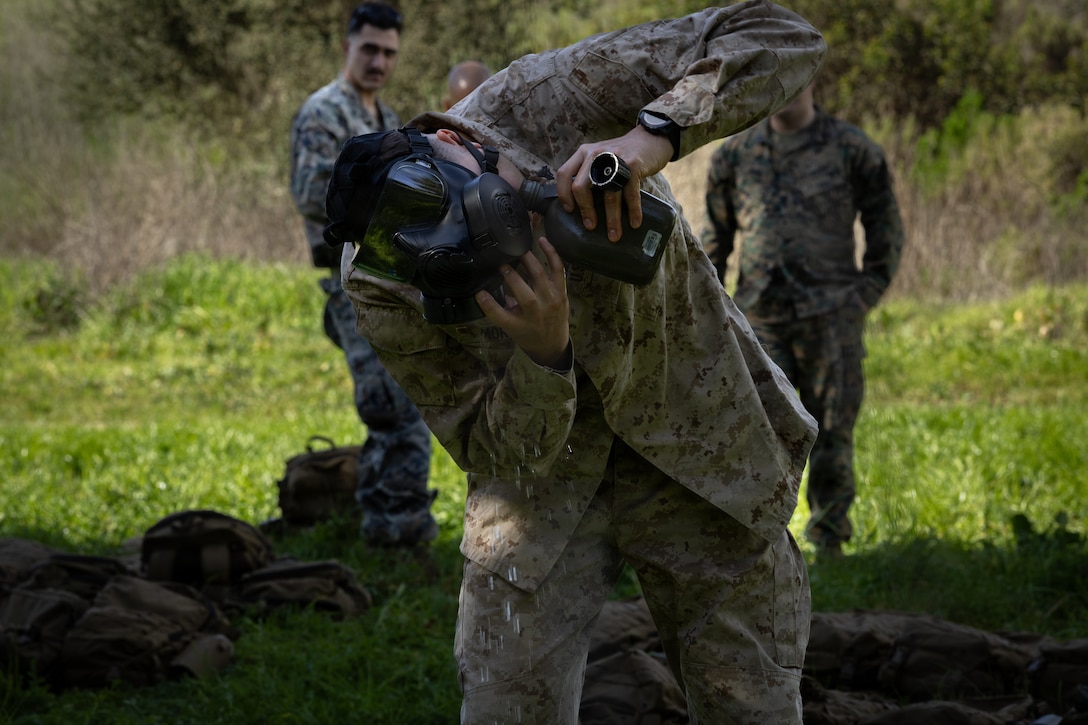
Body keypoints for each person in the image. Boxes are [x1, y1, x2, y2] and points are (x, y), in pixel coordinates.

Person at [324, 2, 825, 722]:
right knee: (504, 706)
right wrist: (541, 353)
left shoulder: (546, 98)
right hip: (543, 496)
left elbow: (784, 37)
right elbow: (492, 445)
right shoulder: (380, 285)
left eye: (461, 202)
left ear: (446, 138)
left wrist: (652, 136)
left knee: (750, 703)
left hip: (699, 443)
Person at [702, 80, 906, 557]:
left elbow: (885, 230)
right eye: (776, 77)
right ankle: (761, 545)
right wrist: (716, 310)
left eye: (796, 76)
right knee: (759, 435)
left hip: (831, 318)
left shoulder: (852, 149)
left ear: (812, 78)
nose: (787, 88)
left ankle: (830, 541)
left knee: (832, 430)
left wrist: (864, 295)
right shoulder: (735, 155)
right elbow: (714, 243)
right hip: (760, 321)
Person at [288, 2, 437, 547]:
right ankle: (397, 536)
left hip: (388, 282)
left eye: (389, 52)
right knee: (394, 409)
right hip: (349, 284)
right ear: (347, 47)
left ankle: (380, 520)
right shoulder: (324, 112)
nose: (379, 62)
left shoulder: (383, 117)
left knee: (396, 404)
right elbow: (310, 195)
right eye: (370, 49)